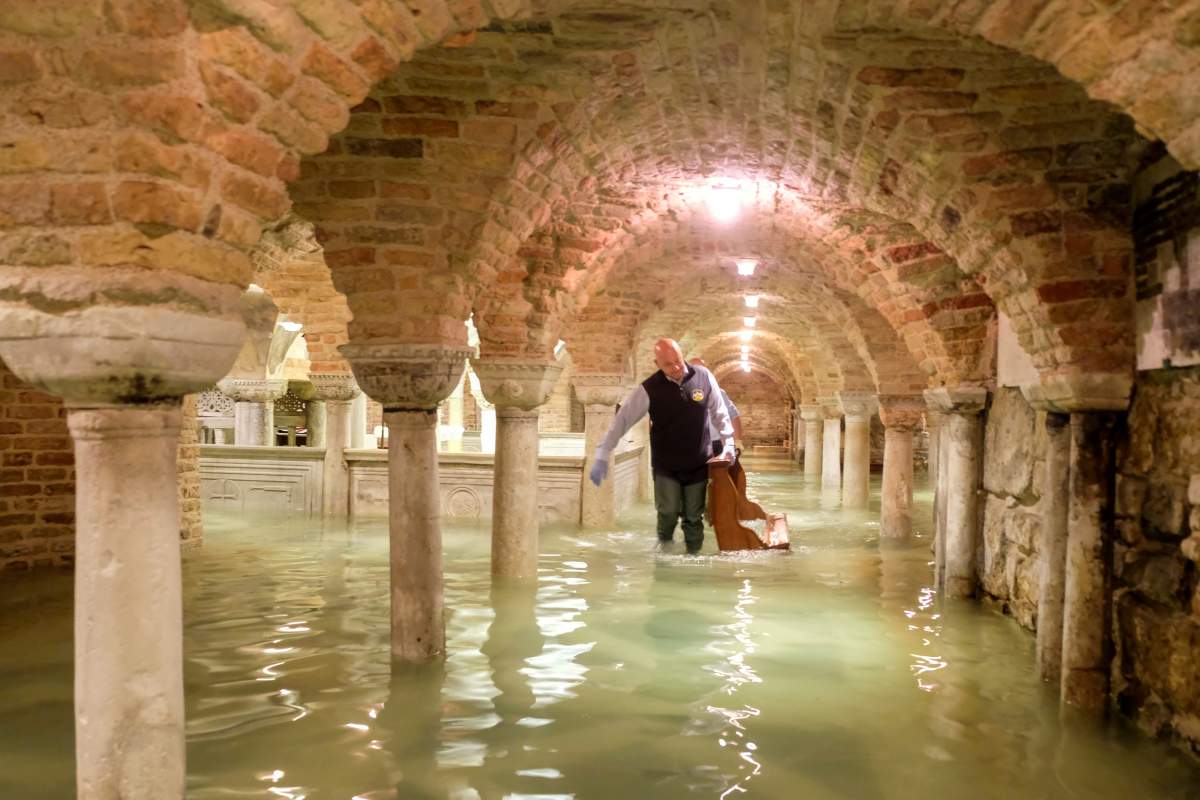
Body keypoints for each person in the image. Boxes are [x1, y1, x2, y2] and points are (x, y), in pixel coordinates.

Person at [588, 338, 734, 554]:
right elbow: (622, 421)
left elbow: (720, 412)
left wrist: (729, 442)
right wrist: (603, 452)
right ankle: (664, 556)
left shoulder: (703, 377)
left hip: (699, 462)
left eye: (678, 360)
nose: (676, 367)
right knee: (668, 511)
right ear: (657, 364)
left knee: (694, 517)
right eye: (668, 364)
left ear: (682, 354)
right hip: (667, 465)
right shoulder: (649, 389)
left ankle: (693, 560)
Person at [689, 357, 742, 456]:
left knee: (718, 471)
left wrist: (737, 442)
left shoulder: (718, 393)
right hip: (691, 445)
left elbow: (733, 415)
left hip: (716, 444)